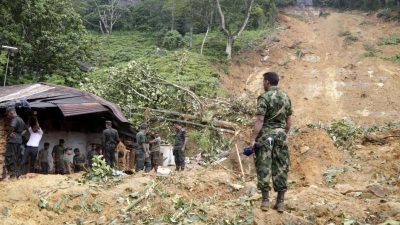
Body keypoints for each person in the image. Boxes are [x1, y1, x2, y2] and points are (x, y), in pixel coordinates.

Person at [249, 72, 292, 213]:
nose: (263, 83)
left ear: (267, 82)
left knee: (264, 166)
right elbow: (288, 122)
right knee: (281, 167)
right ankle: (280, 203)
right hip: (281, 135)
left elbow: (260, 120)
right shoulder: (286, 97)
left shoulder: (264, 97)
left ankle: (265, 202)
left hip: (265, 137)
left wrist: (253, 138)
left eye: (263, 81)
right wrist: (283, 133)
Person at [5, 106, 26, 179]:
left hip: (13, 140)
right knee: (16, 157)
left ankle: (12, 174)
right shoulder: (21, 119)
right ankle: (17, 174)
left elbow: (12, 127)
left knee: (9, 156)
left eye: (8, 114)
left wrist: (10, 132)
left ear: (12, 112)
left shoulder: (15, 119)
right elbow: (25, 129)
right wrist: (19, 134)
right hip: (19, 140)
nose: (8, 116)